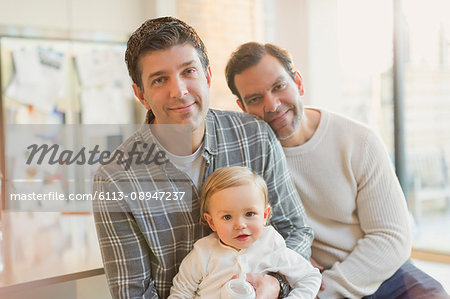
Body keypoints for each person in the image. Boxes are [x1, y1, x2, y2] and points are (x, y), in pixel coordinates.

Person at [92, 18, 313, 299]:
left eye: (189, 71)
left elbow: (295, 229)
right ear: (141, 94)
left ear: (207, 76)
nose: (180, 91)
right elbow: (132, 293)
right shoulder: (115, 179)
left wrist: (276, 282)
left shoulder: (255, 137)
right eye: (160, 79)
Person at [225, 42, 450, 299]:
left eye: (279, 86)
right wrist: (291, 266)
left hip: (379, 272)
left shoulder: (359, 141)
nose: (273, 105)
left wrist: (324, 289)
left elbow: (392, 237)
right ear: (242, 108)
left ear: (298, 82)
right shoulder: (248, 161)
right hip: (305, 278)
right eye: (255, 99)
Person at [169, 166, 321, 298]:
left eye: (249, 214)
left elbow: (310, 276)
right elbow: (181, 293)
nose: (240, 225)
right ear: (211, 222)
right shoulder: (203, 253)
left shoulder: (271, 245)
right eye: (227, 217)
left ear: (264, 215)